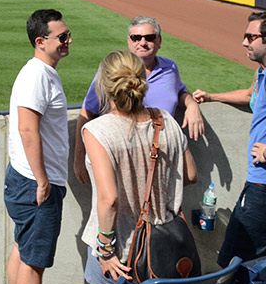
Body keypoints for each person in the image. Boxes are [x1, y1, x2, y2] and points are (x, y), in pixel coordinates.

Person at [80, 50, 197, 284]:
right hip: (165, 246)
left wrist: (105, 250)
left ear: (105, 85)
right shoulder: (166, 119)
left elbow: (109, 199)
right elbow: (191, 175)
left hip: (121, 253)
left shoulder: (97, 131)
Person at [74, 16, 204, 184]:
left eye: (149, 38)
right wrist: (78, 159)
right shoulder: (113, 71)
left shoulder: (170, 68)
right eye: (136, 38)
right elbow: (86, 112)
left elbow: (179, 92)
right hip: (125, 157)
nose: (143, 43)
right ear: (129, 41)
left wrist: (191, 104)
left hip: (162, 157)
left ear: (159, 41)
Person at [4, 9, 71, 284]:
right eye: (62, 37)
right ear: (41, 41)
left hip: (27, 178)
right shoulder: (37, 76)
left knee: (23, 247)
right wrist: (43, 180)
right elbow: (27, 130)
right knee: (34, 263)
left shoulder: (42, 73)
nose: (68, 40)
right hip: (35, 182)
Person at [215, 12, 266, 266]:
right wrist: (212, 97)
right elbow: (252, 96)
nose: (244, 42)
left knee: (232, 266)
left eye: (250, 37)